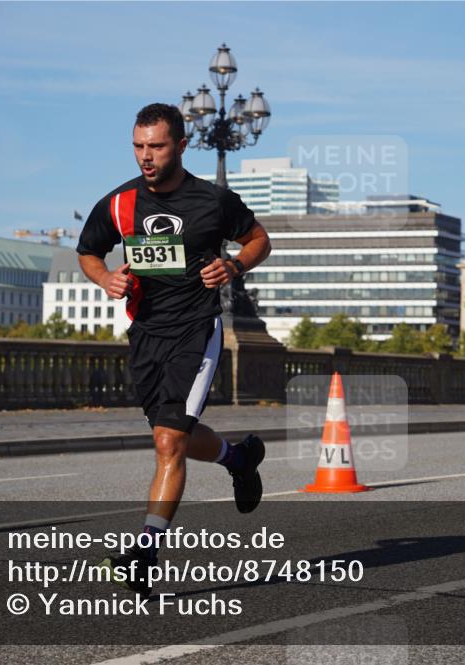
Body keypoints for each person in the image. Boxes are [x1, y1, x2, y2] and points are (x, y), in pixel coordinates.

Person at [76, 103, 272, 593]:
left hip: (195, 331)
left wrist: (234, 266)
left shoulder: (212, 201)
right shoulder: (119, 204)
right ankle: (239, 459)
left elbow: (258, 240)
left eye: (157, 146)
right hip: (145, 333)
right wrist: (106, 279)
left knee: (168, 441)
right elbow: (88, 252)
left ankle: (145, 549)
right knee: (173, 436)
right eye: (139, 146)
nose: (146, 156)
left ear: (182, 145)